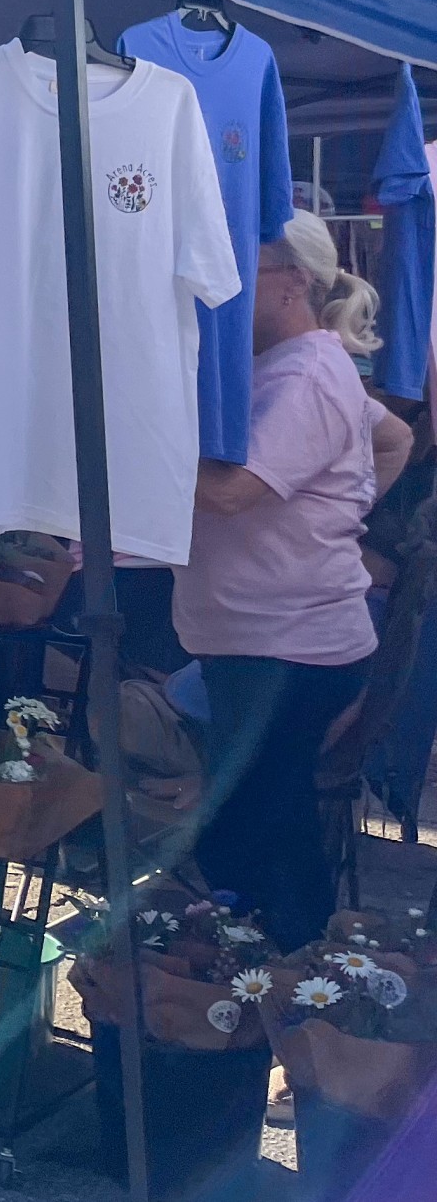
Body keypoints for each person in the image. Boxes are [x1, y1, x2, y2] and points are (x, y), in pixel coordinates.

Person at [174, 210, 412, 949]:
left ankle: (296, 1006)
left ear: (292, 283)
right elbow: (392, 435)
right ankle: (276, 1003)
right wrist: (333, 515)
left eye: (236, 275)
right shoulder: (294, 364)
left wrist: (138, 439)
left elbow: (230, 491)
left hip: (286, 648)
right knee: (257, 829)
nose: (216, 292)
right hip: (270, 640)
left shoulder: (307, 371)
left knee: (258, 842)